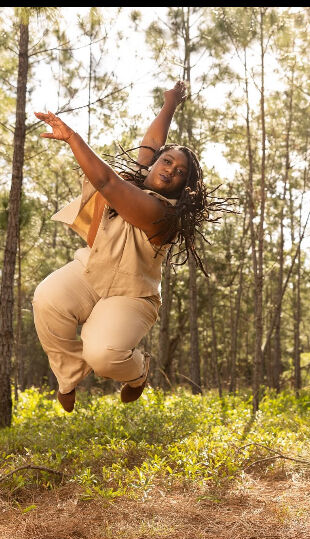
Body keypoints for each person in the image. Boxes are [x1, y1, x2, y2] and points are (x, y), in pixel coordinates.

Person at [32, 81, 211, 412]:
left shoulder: (163, 214)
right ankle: (69, 374)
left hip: (132, 294)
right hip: (92, 269)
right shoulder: (139, 178)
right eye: (166, 162)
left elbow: (106, 182)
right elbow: (153, 142)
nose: (170, 170)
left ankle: (137, 373)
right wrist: (170, 103)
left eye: (180, 172)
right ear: (154, 163)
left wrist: (72, 137)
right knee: (47, 299)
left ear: (183, 187)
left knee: (102, 354)